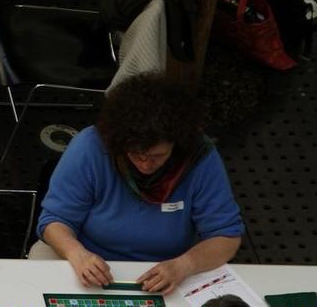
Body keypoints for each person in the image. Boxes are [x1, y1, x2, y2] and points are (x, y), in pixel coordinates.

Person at [30, 75, 244, 295]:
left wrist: (184, 265)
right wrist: (77, 254)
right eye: (135, 154)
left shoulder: (200, 158)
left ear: (177, 144)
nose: (145, 165)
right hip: (88, 258)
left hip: (169, 267)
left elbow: (226, 236)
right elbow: (54, 221)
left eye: (157, 156)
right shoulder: (91, 147)